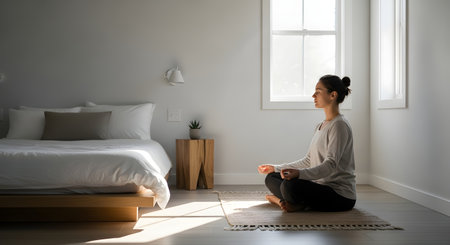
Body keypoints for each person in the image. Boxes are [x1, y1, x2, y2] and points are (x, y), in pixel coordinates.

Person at [258, 75, 356, 212]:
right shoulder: (321, 126)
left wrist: (299, 174)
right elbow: (309, 160)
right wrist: (275, 168)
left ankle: (285, 201)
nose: (313, 95)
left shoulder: (339, 125)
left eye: (318, 91)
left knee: (289, 186)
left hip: (339, 195)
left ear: (332, 95)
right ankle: (295, 203)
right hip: (319, 186)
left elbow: (331, 165)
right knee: (272, 177)